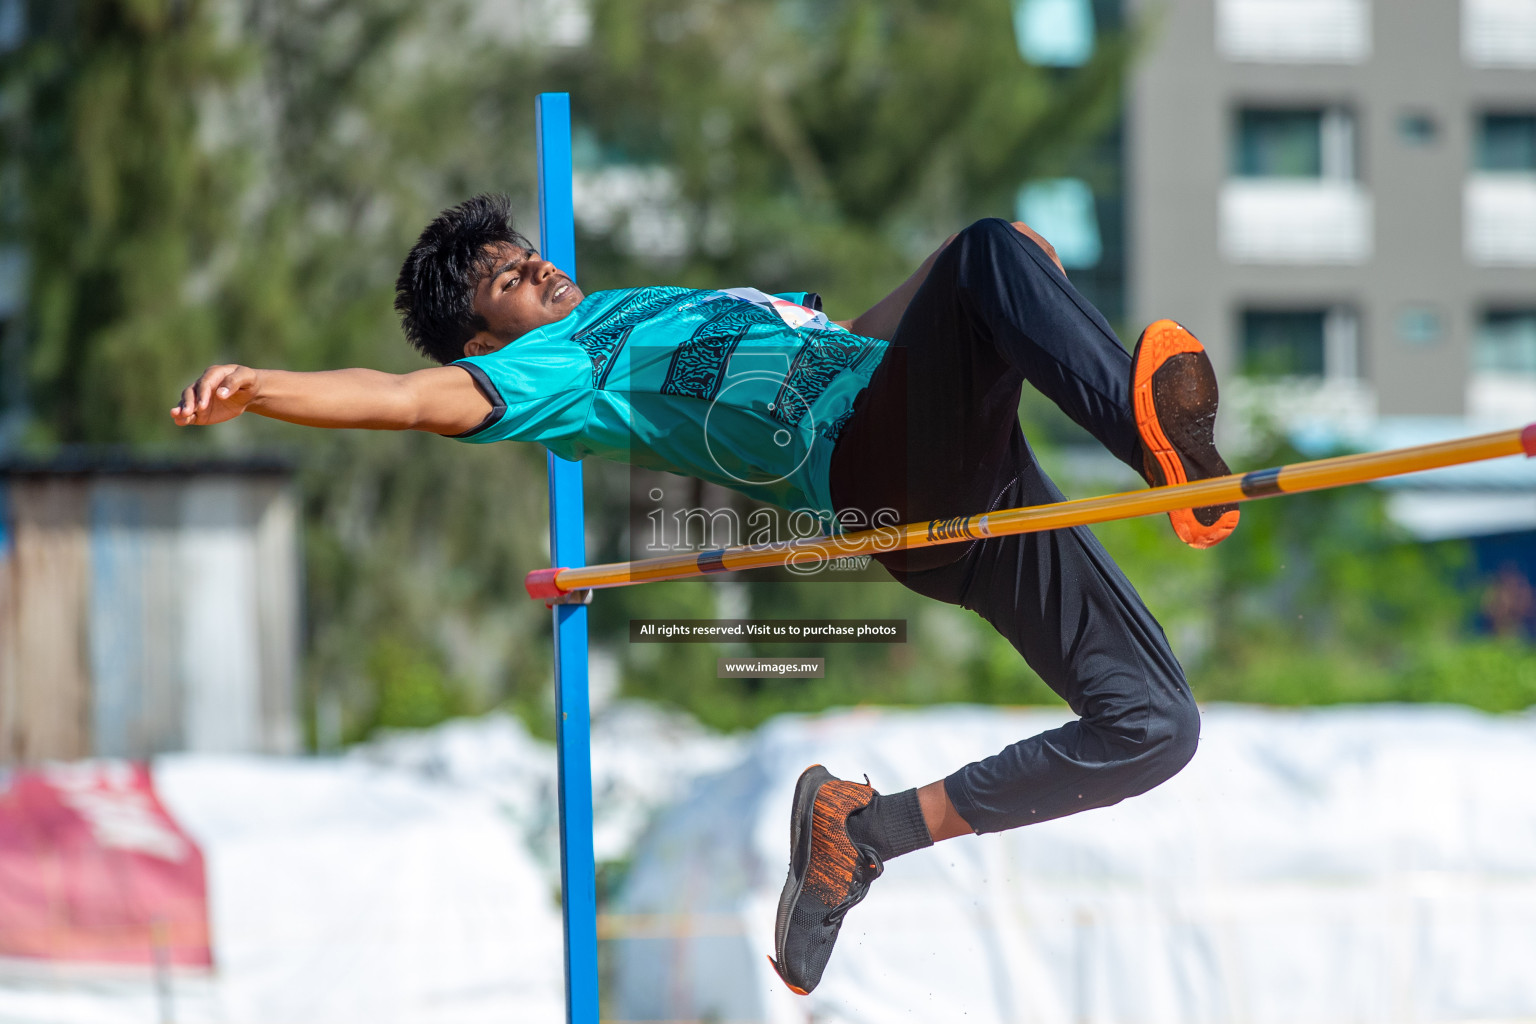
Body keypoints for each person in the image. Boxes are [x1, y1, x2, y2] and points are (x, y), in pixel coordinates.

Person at [172, 192, 1239, 995]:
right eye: (505, 277)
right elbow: (401, 397)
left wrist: (1004, 301)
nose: (536, 266)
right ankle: (1161, 451)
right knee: (990, 255)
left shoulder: (646, 306)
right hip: (885, 469)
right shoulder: (553, 370)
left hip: (955, 472)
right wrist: (261, 386)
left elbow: (849, 347)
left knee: (1155, 723)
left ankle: (864, 833)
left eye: (523, 250)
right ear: (484, 338)